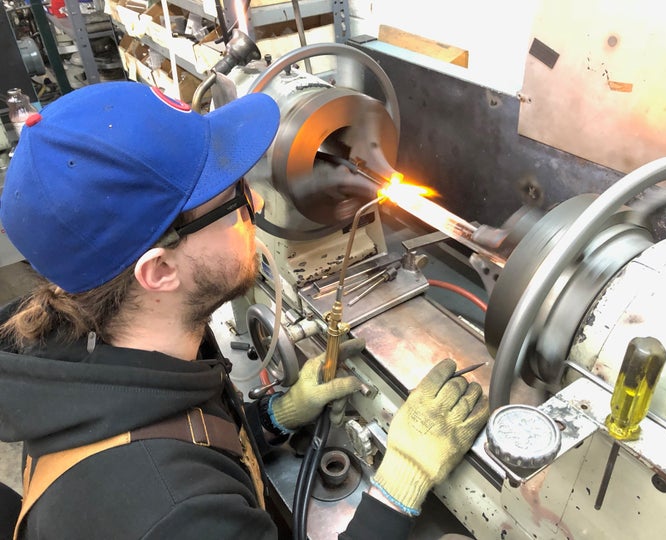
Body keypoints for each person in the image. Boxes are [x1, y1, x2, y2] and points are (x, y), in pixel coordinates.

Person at [0, 81, 489, 540]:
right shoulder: (175, 514)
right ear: (160, 272)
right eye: (232, 198)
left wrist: (276, 416)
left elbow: (184, 427)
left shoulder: (102, 354)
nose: (254, 198)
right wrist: (400, 485)